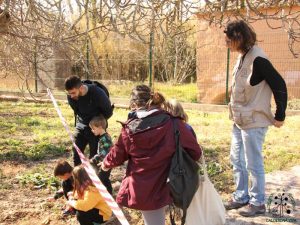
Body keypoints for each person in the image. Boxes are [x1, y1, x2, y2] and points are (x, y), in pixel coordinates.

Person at [101, 85, 202, 225]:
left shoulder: (129, 129)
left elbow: (117, 154)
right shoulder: (174, 123)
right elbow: (196, 152)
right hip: (174, 183)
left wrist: (105, 164)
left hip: (144, 189)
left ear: (134, 104)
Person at [223, 20, 288, 217]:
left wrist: (280, 115)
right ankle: (241, 196)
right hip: (240, 119)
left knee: (253, 163)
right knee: (236, 158)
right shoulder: (242, 56)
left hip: (254, 122)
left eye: (228, 39)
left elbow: (280, 85)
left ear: (239, 38)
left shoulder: (258, 59)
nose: (225, 42)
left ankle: (258, 202)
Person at [64, 75, 113, 166]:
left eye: (73, 93)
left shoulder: (98, 93)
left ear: (81, 88)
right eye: (69, 93)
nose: (71, 96)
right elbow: (77, 111)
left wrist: (97, 123)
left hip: (96, 127)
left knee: (95, 156)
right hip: (81, 124)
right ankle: (78, 176)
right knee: (76, 152)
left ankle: (95, 178)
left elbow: (108, 112)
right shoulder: (71, 96)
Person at [89, 115, 113, 194]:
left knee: (102, 179)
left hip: (106, 163)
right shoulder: (103, 137)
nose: (92, 131)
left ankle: (108, 194)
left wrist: (93, 159)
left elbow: (103, 153)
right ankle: (108, 193)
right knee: (104, 178)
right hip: (104, 163)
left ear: (99, 127)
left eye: (93, 129)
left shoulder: (105, 138)